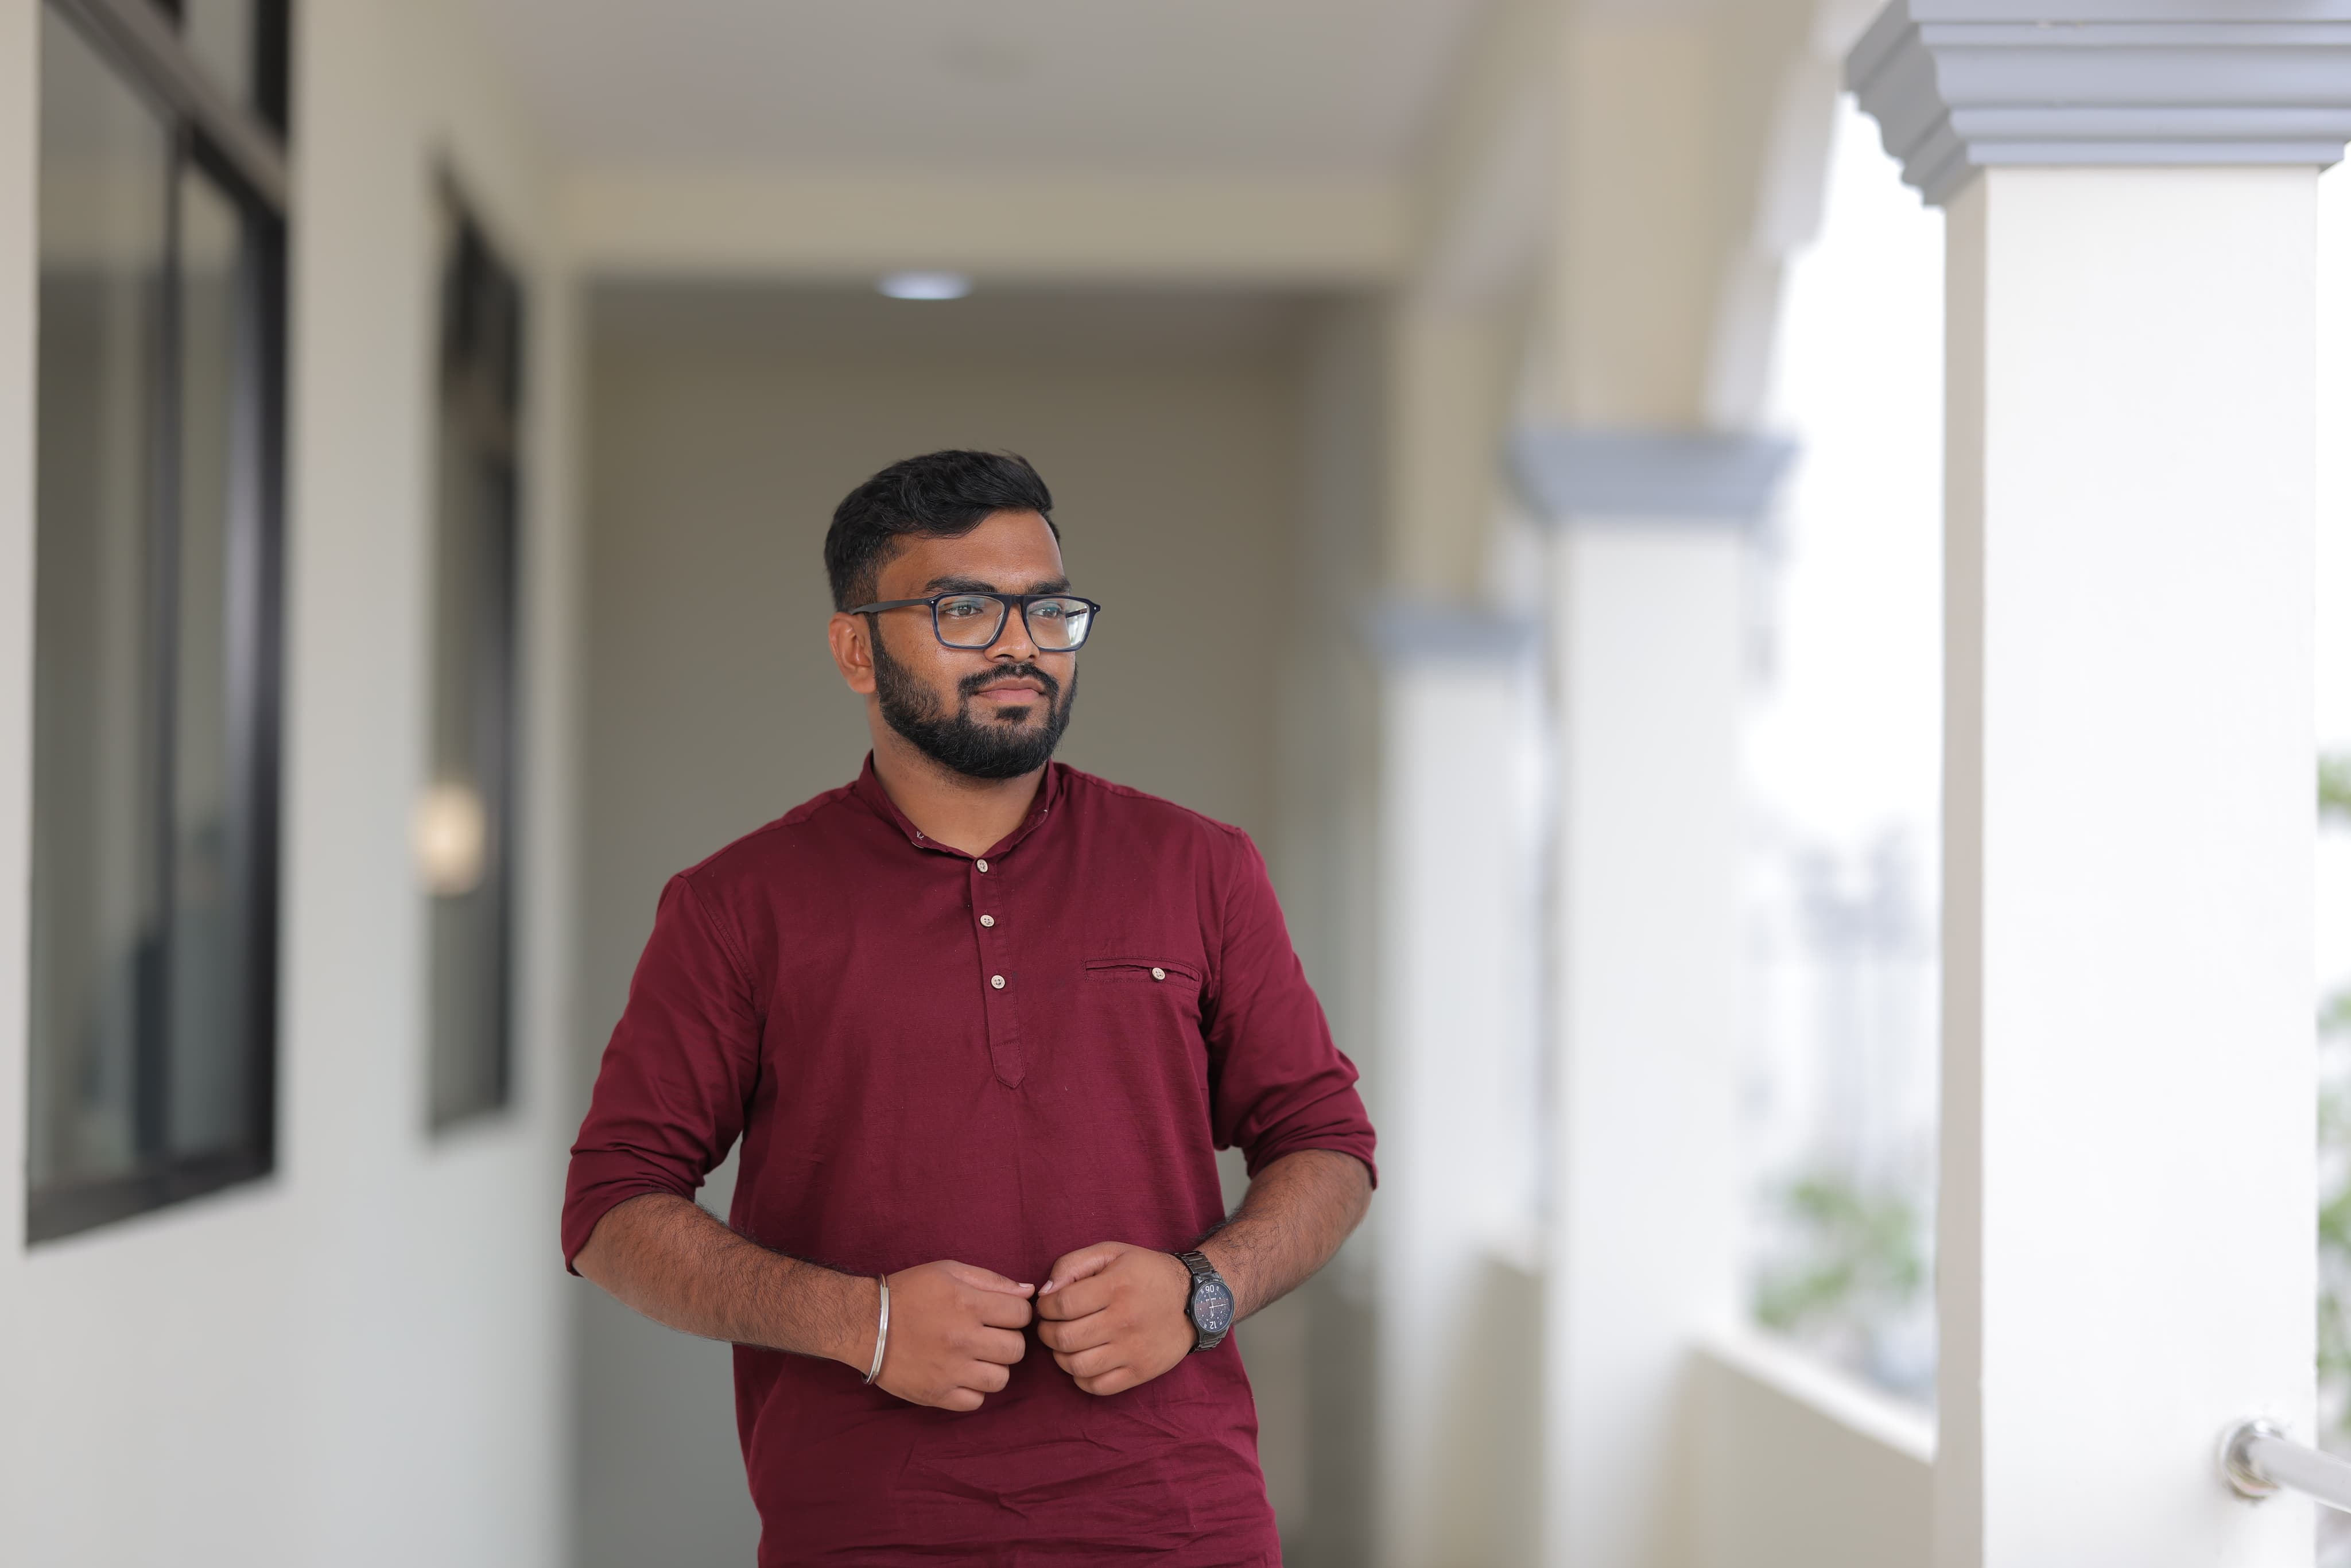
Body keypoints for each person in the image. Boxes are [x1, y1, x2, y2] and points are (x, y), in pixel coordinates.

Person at [563, 449, 1376, 1566]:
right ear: (856, 649)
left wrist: (1204, 1289)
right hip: (868, 1530)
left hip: (1182, 1522)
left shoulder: (1199, 867)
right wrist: (861, 1322)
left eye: (1047, 610)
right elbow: (610, 1207)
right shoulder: (738, 904)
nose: (1019, 645)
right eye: (963, 610)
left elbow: (1329, 1145)